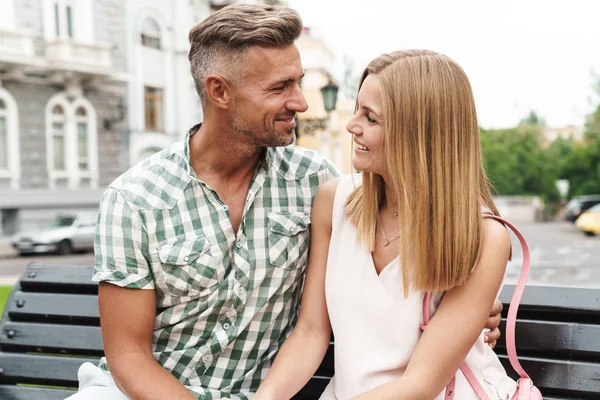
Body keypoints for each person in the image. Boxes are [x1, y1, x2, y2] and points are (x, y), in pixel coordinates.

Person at [65, 6, 503, 400]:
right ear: (219, 91)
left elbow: (394, 315)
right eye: (280, 87)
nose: (301, 102)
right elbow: (127, 355)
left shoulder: (315, 183)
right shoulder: (134, 198)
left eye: (300, 82)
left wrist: (469, 306)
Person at [254, 50, 518, 400]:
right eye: (357, 110)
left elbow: (420, 385)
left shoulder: (483, 237)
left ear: (419, 134)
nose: (352, 125)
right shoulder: (335, 203)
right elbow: (311, 330)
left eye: (371, 118)